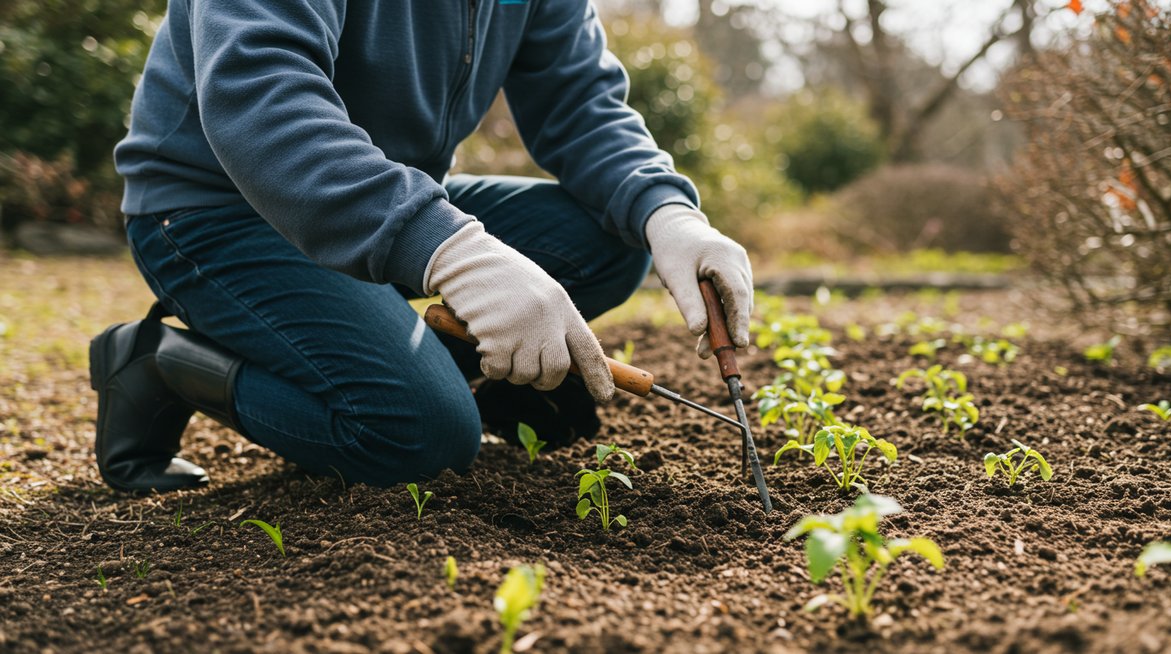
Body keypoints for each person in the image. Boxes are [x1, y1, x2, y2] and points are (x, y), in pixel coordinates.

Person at [91, 0, 753, 492]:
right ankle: (158, 363)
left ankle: (421, 363)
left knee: (612, 237)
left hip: (378, 197)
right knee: (422, 436)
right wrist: (453, 252)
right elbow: (261, 98)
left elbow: (581, 105)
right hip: (214, 210)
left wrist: (669, 213)